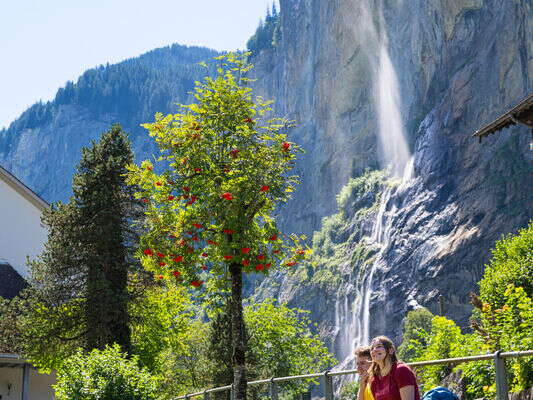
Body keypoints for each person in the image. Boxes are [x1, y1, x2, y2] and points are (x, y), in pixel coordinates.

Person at [368, 336, 420, 400]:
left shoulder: (401, 370)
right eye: (372, 349)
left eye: (379, 346)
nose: (374, 350)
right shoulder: (374, 379)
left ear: (391, 350)